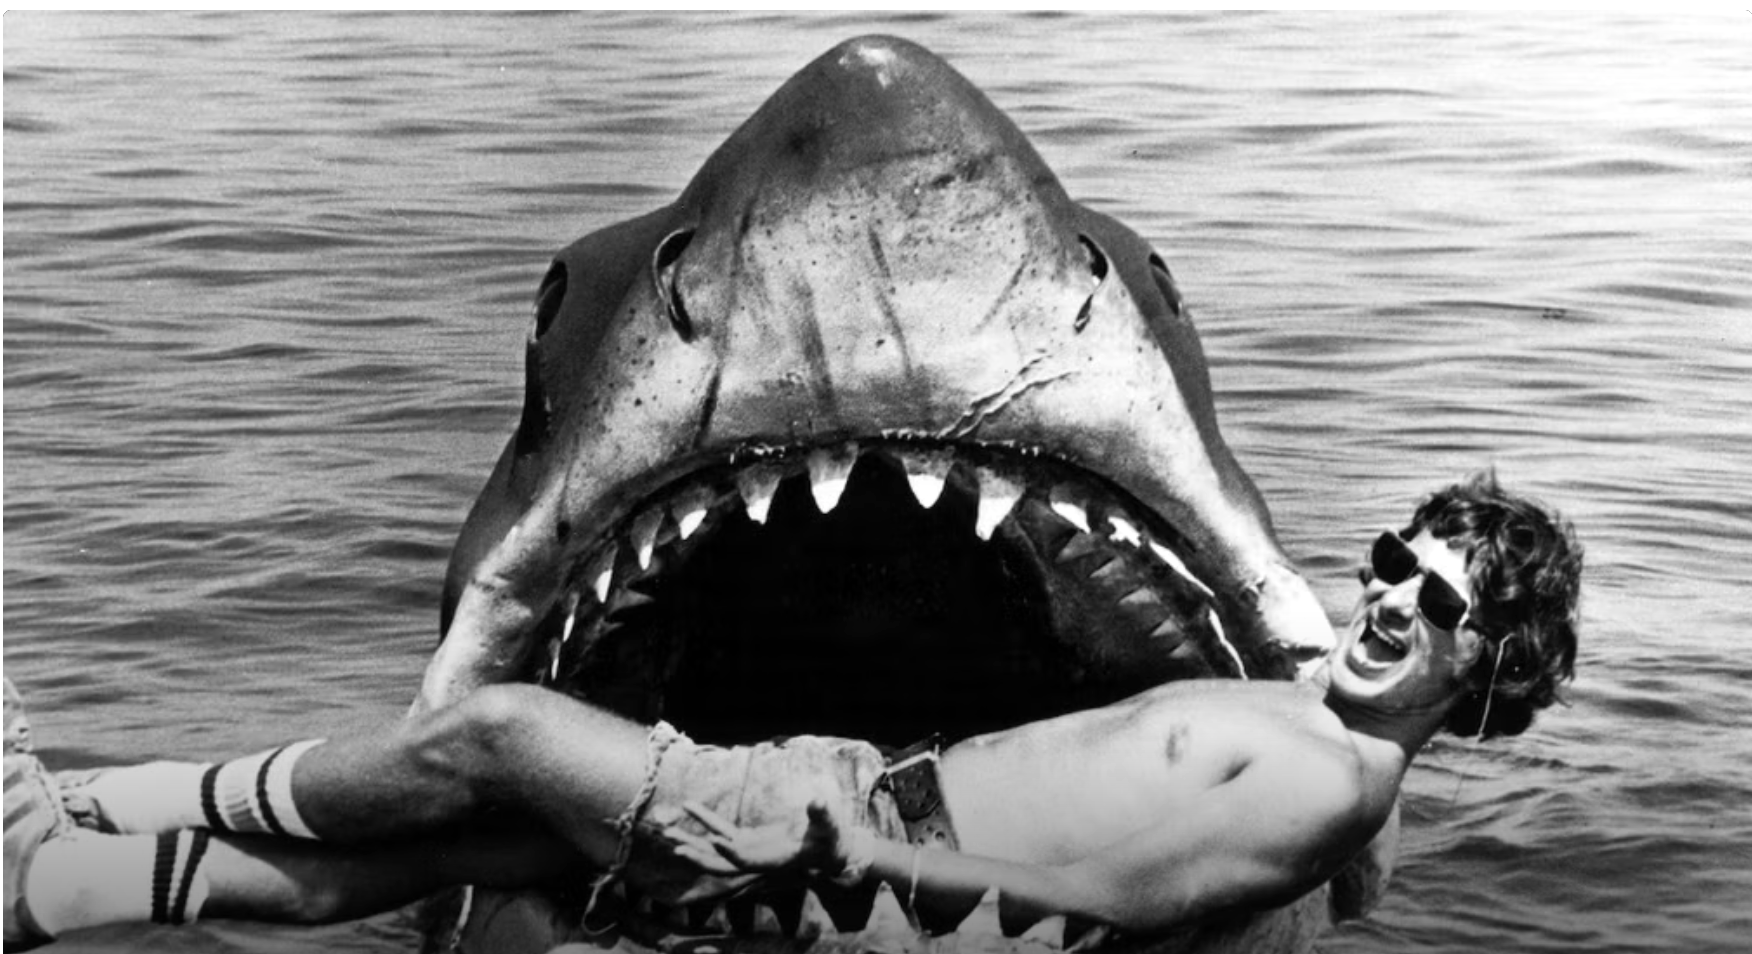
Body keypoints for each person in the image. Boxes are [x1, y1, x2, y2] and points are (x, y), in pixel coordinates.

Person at [4, 472, 1581, 949]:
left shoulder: (1333, 787)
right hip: (857, 786)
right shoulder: (1319, 710)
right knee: (439, 849)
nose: (1391, 595)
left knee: (494, 739)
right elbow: (1290, 652)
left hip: (861, 845)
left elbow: (1121, 897)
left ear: (1490, 670)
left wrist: (867, 858)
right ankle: (55, 888)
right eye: (1394, 559)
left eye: (1437, 602)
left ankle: (84, 802)